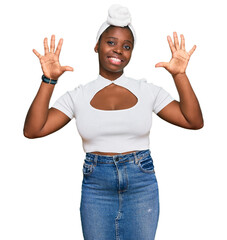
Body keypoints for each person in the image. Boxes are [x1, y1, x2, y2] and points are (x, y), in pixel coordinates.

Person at [23, 4, 203, 240]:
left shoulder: (146, 90)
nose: (118, 50)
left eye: (126, 47)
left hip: (141, 184)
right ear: (97, 46)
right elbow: (33, 130)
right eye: (111, 42)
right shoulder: (78, 95)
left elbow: (193, 121)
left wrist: (179, 75)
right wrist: (48, 80)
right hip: (96, 186)